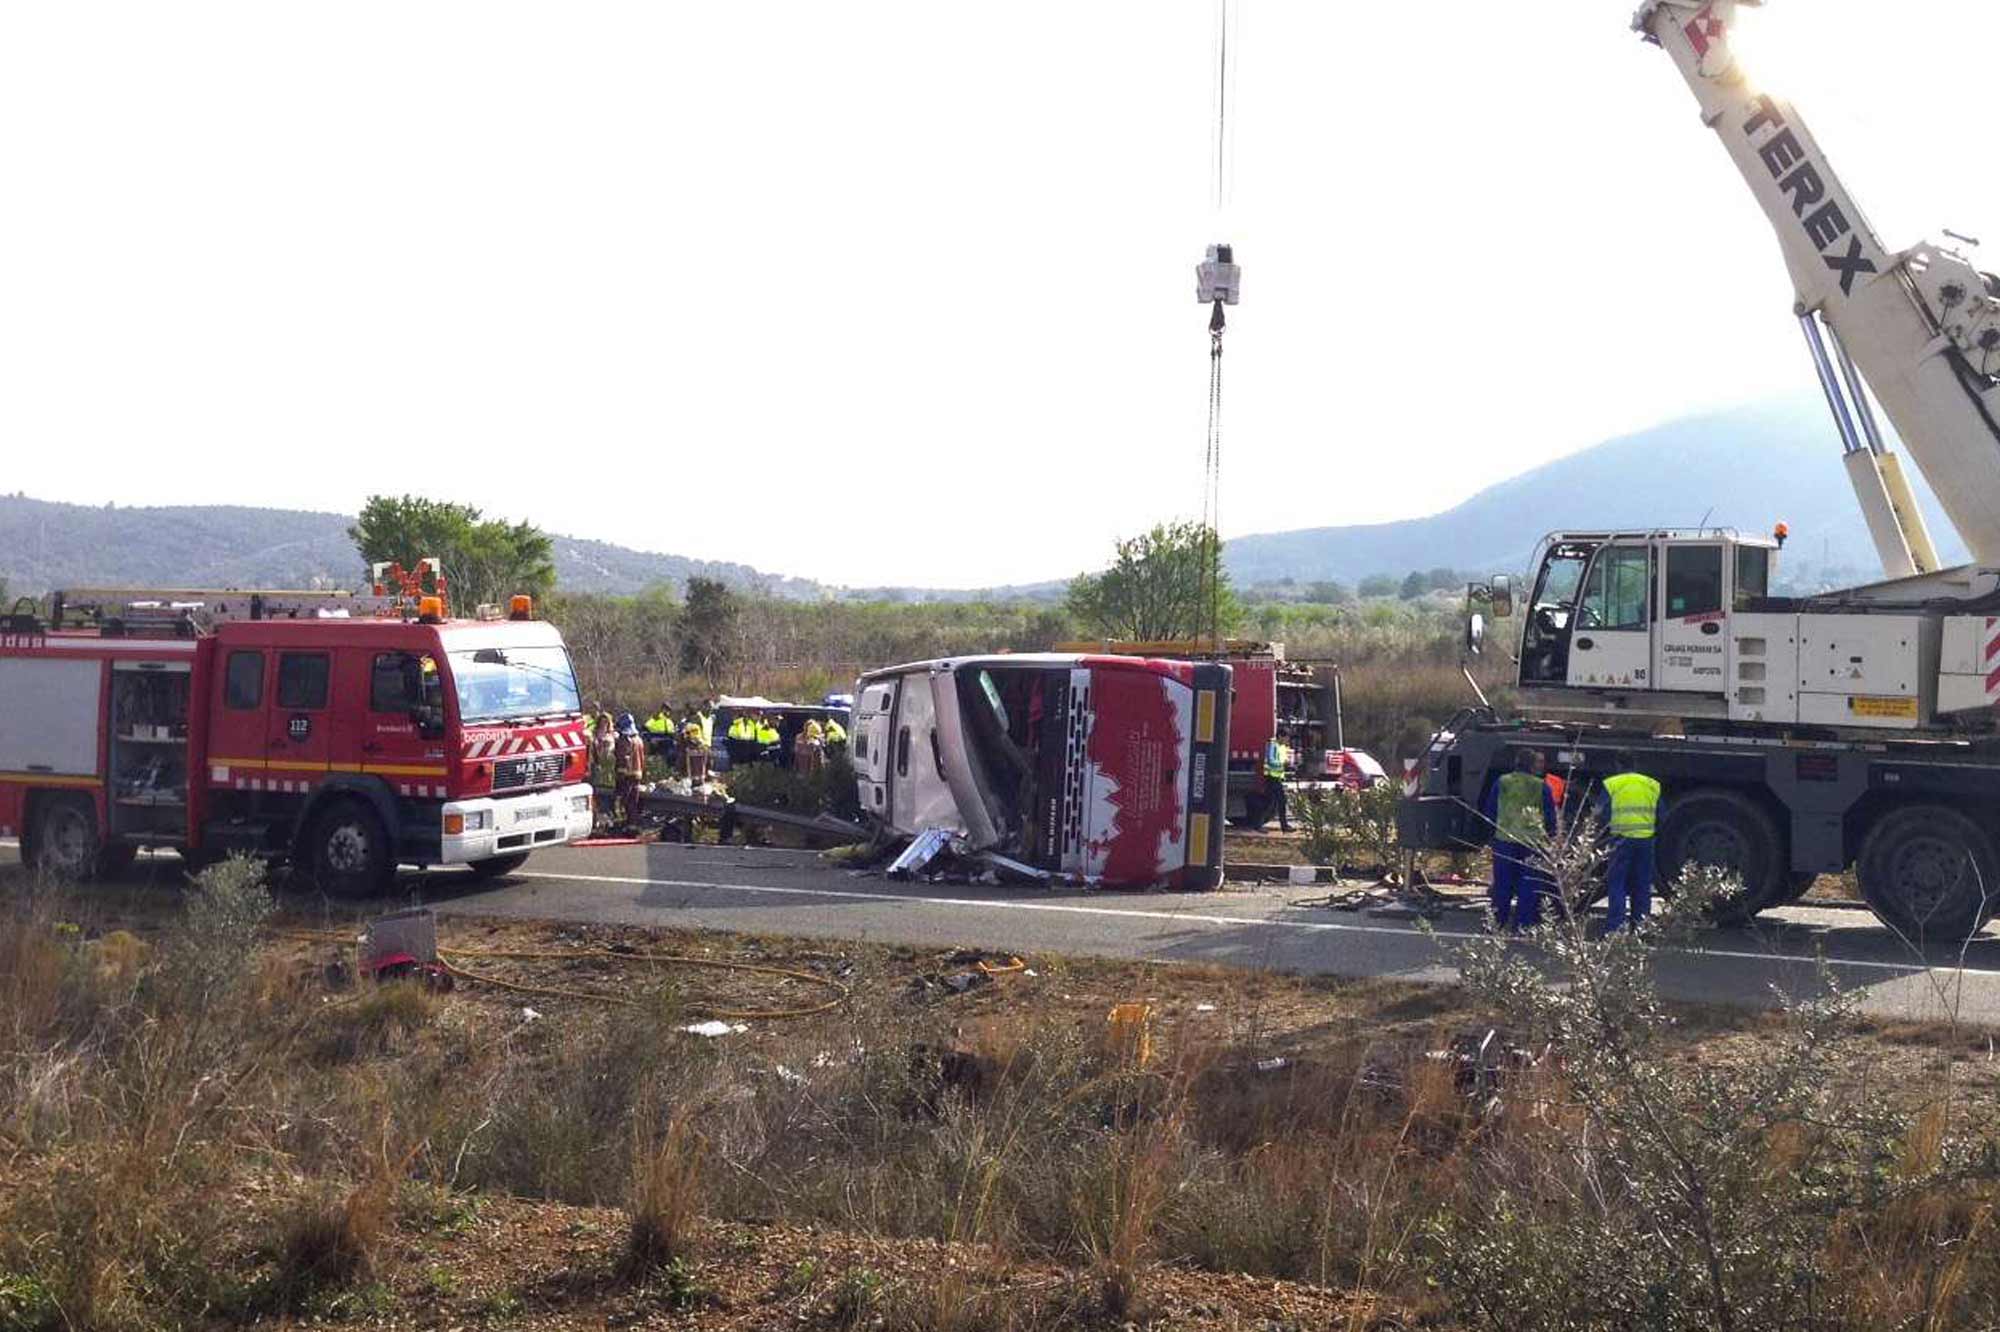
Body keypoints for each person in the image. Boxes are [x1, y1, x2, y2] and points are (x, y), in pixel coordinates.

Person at [1482, 750, 1556, 931]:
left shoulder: (1502, 782)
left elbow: (1490, 810)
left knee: (1503, 883)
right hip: (1532, 842)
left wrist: (1492, 834)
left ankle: (1497, 923)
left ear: (1516, 762)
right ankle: (1523, 925)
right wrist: (1550, 836)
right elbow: (1550, 817)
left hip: (1505, 840)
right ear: (1532, 765)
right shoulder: (1541, 786)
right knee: (1529, 884)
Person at [1596, 751, 1662, 933]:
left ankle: (1615, 928)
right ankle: (1640, 927)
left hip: (1620, 839)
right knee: (1642, 884)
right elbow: (1661, 813)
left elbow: (1601, 813)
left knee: (1617, 883)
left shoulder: (1612, 784)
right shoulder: (1652, 784)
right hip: (1645, 840)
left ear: (1618, 765)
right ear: (1635, 764)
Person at [614, 712, 648, 829]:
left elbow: (624, 758)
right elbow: (642, 759)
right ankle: (633, 825)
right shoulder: (639, 739)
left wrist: (620, 774)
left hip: (627, 775)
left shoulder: (625, 740)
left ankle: (628, 825)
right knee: (634, 801)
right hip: (638, 774)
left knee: (627, 801)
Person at [1263, 736, 1292, 833]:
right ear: (1280, 736)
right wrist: (1282, 764)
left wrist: (1288, 763)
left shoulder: (1282, 747)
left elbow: (1283, 759)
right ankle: (1284, 826)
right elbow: (1271, 760)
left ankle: (1284, 826)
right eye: (1285, 738)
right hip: (1271, 777)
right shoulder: (1273, 745)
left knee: (1272, 802)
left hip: (1277, 777)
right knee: (1279, 801)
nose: (1287, 740)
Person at [681, 710, 709, 784]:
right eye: (695, 717)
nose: (697, 718)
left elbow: (700, 736)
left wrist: (702, 744)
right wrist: (693, 742)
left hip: (699, 747)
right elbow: (686, 737)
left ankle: (701, 778)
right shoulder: (687, 726)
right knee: (692, 764)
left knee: (701, 763)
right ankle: (692, 779)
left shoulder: (698, 726)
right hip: (691, 747)